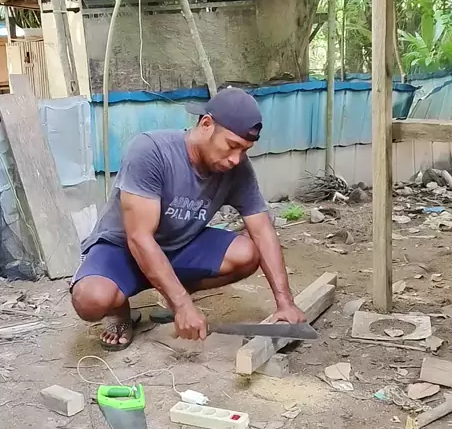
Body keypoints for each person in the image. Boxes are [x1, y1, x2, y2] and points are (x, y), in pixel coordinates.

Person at [71, 87, 306, 349]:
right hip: (123, 249)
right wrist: (183, 305)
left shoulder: (238, 169)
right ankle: (121, 313)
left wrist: (285, 303)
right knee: (90, 300)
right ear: (206, 124)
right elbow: (139, 238)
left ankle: (170, 294)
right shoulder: (151, 151)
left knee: (247, 253)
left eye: (245, 150)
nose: (236, 159)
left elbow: (262, 229)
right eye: (232, 146)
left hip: (179, 247)